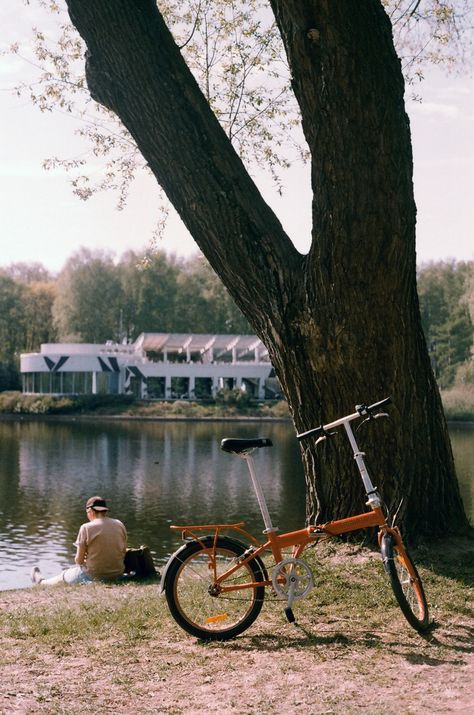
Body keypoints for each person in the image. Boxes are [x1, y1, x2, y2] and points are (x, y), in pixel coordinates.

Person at [31, 496, 127, 585]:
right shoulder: (119, 524)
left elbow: (79, 560)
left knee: (64, 575)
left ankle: (41, 582)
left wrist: (85, 559)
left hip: (93, 576)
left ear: (91, 511)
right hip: (117, 573)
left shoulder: (86, 528)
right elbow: (123, 551)